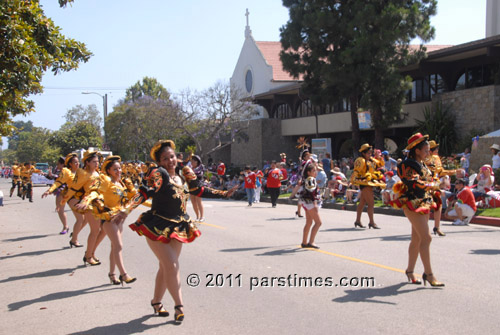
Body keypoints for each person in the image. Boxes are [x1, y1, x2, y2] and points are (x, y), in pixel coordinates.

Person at [126, 140, 236, 323]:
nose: (170, 161)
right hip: (157, 225)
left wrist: (223, 194)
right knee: (172, 265)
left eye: (172, 156)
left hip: (178, 226)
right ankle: (179, 306)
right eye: (165, 158)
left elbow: (199, 189)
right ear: (160, 162)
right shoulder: (159, 174)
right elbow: (146, 192)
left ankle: (156, 301)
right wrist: (125, 209)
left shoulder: (184, 174)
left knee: (166, 267)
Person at [391, 133, 444, 287]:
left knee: (417, 239)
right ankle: (429, 274)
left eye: (429, 150)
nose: (429, 153)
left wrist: (436, 183)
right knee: (426, 238)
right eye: (426, 150)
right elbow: (413, 182)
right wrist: (431, 185)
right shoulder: (407, 164)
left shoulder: (422, 164)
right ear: (417, 150)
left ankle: (410, 270)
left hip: (424, 202)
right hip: (412, 203)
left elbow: (430, 179)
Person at [83, 156, 138, 285]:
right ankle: (124, 274)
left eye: (119, 168)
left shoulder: (123, 183)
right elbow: (94, 193)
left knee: (114, 247)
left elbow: (135, 199)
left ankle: (112, 274)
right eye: (115, 169)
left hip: (120, 219)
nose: (118, 171)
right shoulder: (106, 182)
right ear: (108, 170)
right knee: (118, 246)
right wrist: (86, 201)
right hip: (108, 219)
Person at [63, 150, 106, 266]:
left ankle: (90, 253)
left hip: (100, 203)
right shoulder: (83, 173)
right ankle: (88, 256)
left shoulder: (98, 173)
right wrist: (65, 200)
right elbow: (74, 188)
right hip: (89, 204)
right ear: (87, 162)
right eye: (94, 162)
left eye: (97, 161)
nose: (97, 163)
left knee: (104, 230)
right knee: (95, 230)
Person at [350, 144, 386, 229]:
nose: (370, 155)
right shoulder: (361, 160)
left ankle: (358, 221)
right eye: (368, 153)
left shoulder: (371, 160)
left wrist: (378, 156)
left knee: (362, 202)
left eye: (371, 153)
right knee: (371, 203)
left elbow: (381, 164)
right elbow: (356, 171)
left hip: (371, 182)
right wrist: (354, 180)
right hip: (364, 183)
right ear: (363, 153)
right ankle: (372, 222)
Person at [425, 140, 456, 237]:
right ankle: (424, 229)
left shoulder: (436, 158)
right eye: (435, 149)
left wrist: (453, 172)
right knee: (425, 206)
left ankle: (437, 228)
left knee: (438, 205)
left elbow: (441, 171)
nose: (437, 150)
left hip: (435, 185)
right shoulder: (423, 159)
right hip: (425, 185)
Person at [292, 160, 322, 249]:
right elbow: (312, 193)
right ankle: (311, 242)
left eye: (316, 170)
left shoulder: (307, 179)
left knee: (309, 222)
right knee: (318, 223)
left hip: (306, 202)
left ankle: (304, 242)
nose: (315, 172)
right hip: (310, 203)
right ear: (308, 172)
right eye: (313, 171)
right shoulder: (310, 180)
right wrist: (315, 204)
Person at [42, 156, 73, 234]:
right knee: (60, 210)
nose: (57, 165)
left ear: (63, 164)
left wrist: (49, 190)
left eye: (58, 164)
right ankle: (66, 226)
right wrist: (47, 174)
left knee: (61, 210)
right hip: (60, 191)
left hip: (66, 191)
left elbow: (59, 179)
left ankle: (69, 229)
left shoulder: (67, 171)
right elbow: (53, 179)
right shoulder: (57, 170)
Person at [189, 155, 205, 221]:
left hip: (198, 186)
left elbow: (199, 175)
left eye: (193, 161)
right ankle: (197, 216)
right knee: (193, 202)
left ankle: (202, 217)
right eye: (191, 161)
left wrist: (192, 173)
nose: (192, 163)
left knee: (199, 201)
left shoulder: (200, 168)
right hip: (191, 187)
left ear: (197, 162)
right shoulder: (190, 168)